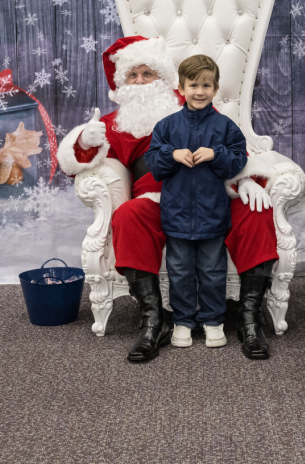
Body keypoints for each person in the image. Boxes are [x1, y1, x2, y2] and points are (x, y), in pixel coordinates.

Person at [57, 36, 281, 362]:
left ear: (164, 78)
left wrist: (246, 180)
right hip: (156, 199)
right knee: (128, 216)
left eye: (147, 73)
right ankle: (154, 319)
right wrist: (84, 141)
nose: (140, 81)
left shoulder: (194, 102)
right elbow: (74, 164)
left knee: (256, 211)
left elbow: (232, 147)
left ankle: (250, 318)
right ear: (122, 83)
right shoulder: (113, 125)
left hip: (211, 194)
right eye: (132, 75)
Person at [145, 55, 247, 352]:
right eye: (193, 85)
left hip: (213, 215)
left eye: (206, 85)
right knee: (180, 271)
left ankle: (213, 320)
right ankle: (183, 321)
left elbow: (238, 160)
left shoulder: (225, 127)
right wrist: (171, 154)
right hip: (176, 215)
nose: (200, 91)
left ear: (215, 89)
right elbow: (154, 164)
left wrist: (217, 154)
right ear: (181, 88)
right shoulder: (166, 127)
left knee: (213, 271)